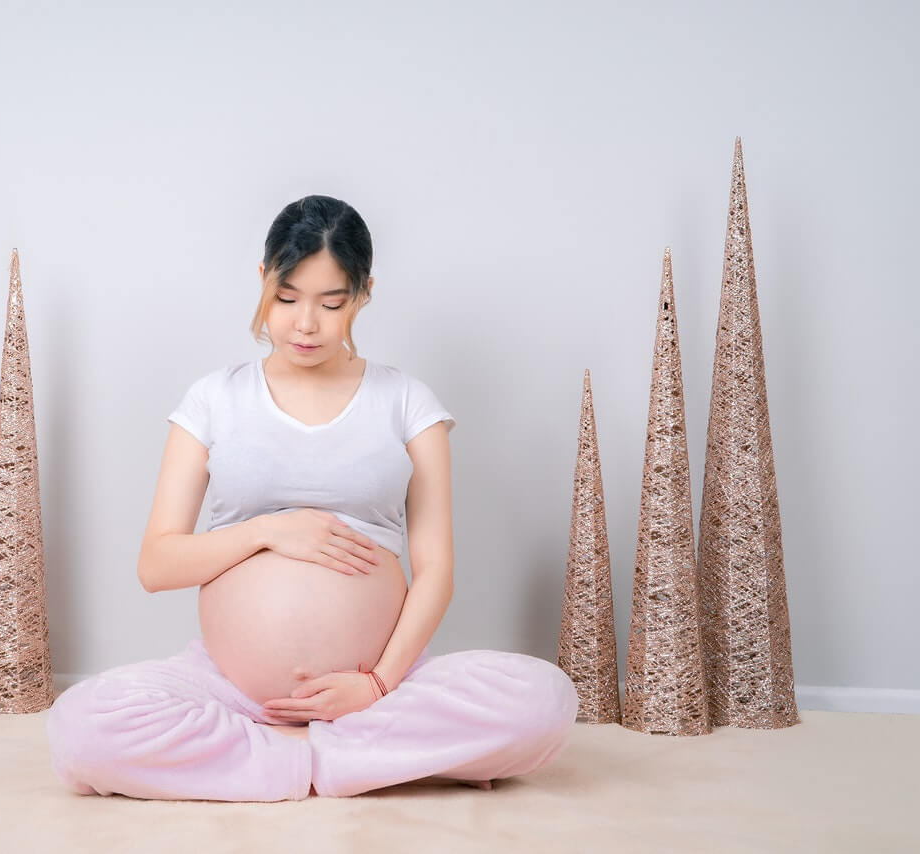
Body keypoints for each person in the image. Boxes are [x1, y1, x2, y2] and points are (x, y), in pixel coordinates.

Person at [45, 195, 578, 801]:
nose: (305, 323)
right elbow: (156, 565)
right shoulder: (212, 400)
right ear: (263, 279)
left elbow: (436, 572)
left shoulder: (408, 404)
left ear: (364, 293)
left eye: (332, 303)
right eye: (288, 297)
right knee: (78, 729)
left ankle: (290, 757)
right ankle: (332, 761)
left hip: (382, 688)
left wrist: (377, 685)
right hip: (229, 687)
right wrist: (269, 532)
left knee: (546, 701)